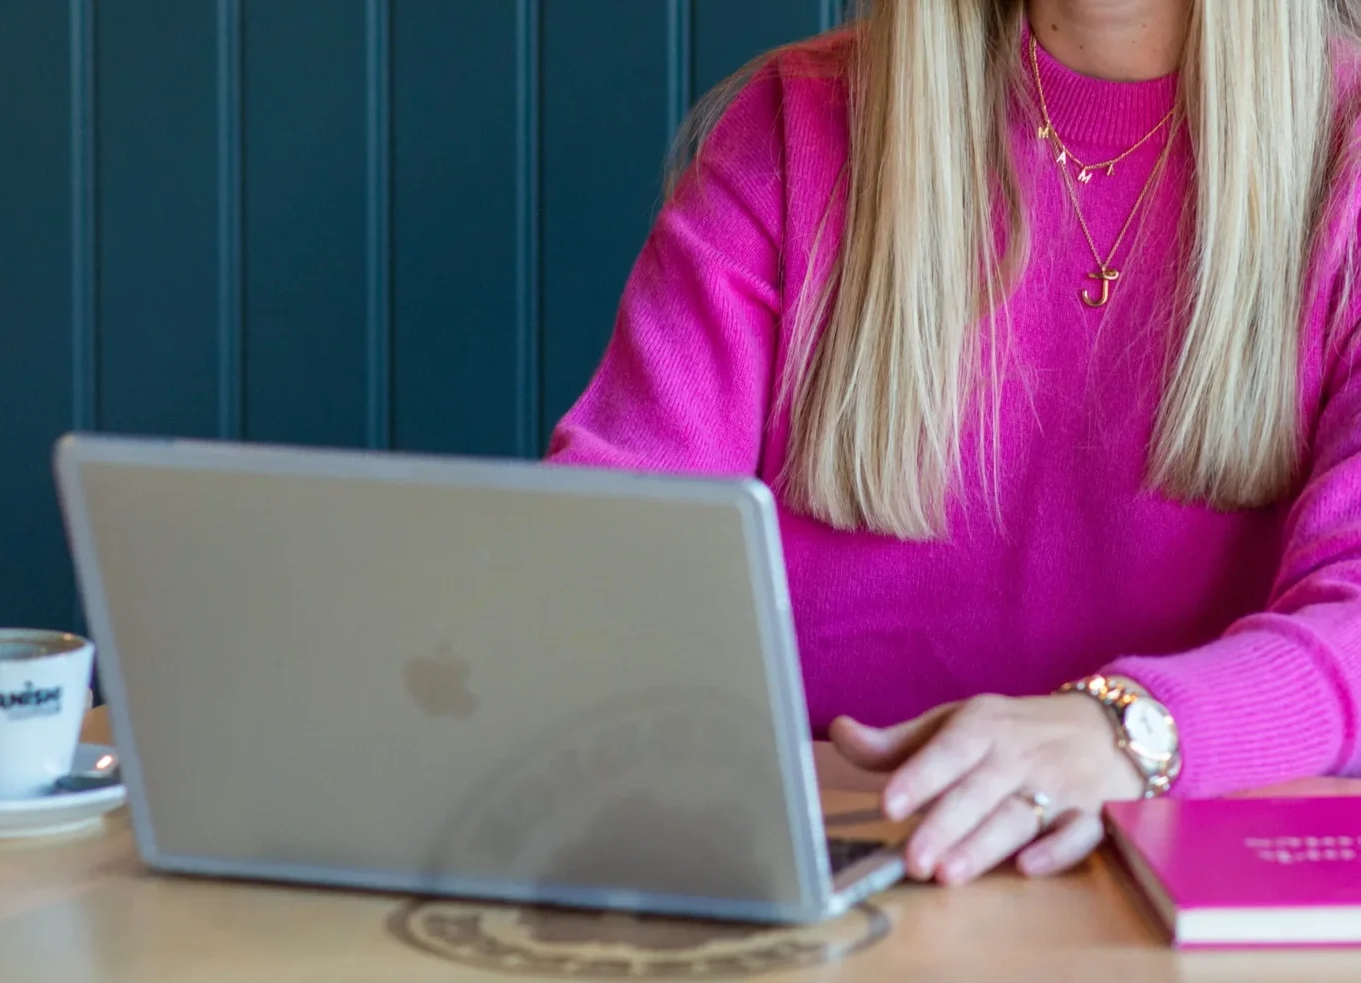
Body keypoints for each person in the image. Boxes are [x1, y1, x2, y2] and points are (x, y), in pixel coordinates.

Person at [546, 0, 1361, 888]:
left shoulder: (1345, 155)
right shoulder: (793, 131)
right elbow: (609, 552)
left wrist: (1130, 731)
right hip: (825, 880)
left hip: (1184, 892)